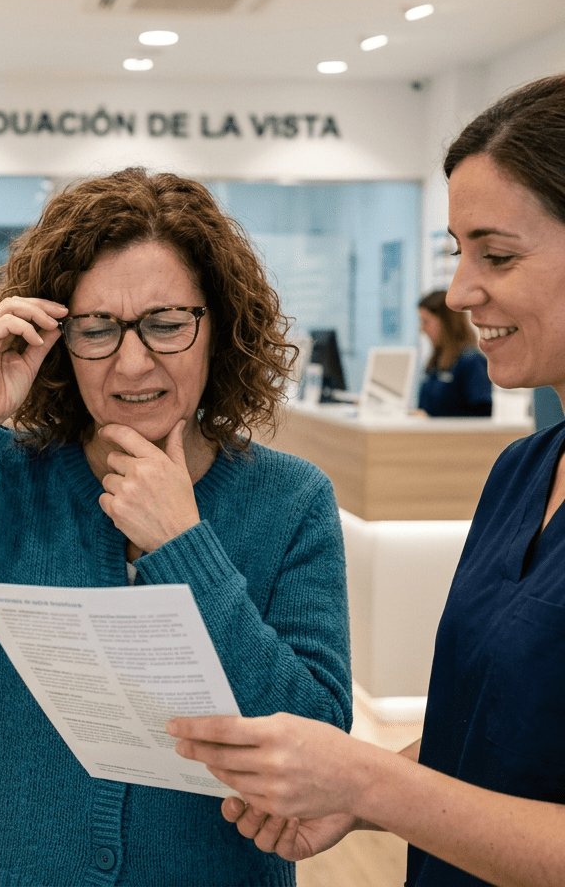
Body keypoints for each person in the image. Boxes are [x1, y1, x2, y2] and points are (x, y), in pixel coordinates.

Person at [0, 168, 352, 886]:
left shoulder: (292, 500)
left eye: (167, 323)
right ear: (57, 341)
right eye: (96, 329)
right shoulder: (3, 479)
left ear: (218, 326)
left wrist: (184, 548)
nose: (133, 363)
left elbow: (317, 743)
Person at [167, 74, 565, 887]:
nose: (460, 291)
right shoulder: (523, 472)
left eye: (497, 254)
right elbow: (484, 728)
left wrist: (368, 780)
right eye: (458, 252)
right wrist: (358, 795)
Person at [416, 289, 492, 417]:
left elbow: (482, 416)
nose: (422, 328)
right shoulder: (436, 361)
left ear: (445, 322)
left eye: (426, 321)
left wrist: (433, 421)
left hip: (456, 437)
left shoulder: (472, 362)